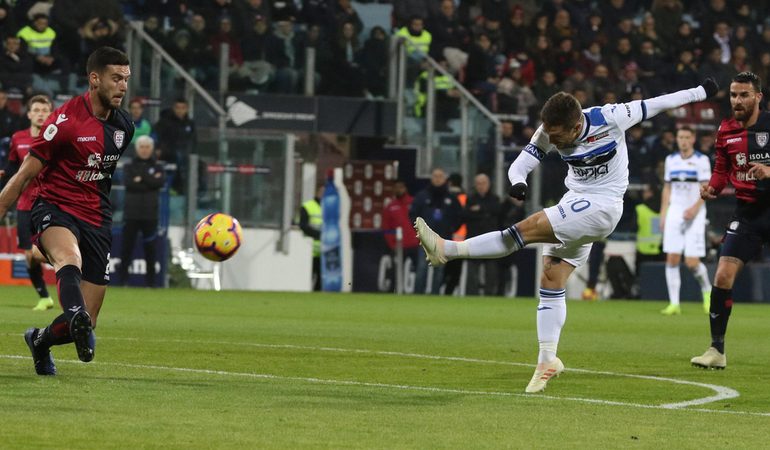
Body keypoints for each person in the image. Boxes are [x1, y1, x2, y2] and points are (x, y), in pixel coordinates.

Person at [415, 79, 719, 392]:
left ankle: (446, 249)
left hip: (604, 205)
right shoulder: (549, 129)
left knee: (526, 229)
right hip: (575, 201)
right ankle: (548, 359)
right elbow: (522, 162)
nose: (552, 140)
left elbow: (660, 101)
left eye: (558, 135)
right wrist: (518, 180)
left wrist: (701, 92)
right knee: (551, 276)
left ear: (576, 127)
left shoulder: (612, 117)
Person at [0, 46, 134, 376]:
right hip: (54, 207)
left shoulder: (123, 128)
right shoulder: (65, 122)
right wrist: (2, 206)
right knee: (68, 260)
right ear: (94, 79)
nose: (123, 86)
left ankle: (40, 340)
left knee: (90, 321)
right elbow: (25, 173)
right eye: (116, 78)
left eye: (126, 79)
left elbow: (101, 177)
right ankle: (74, 311)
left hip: (97, 217)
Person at [691, 71, 770, 370]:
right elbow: (722, 168)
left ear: (758, 96)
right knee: (722, 275)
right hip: (748, 213)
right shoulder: (725, 129)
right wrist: (711, 187)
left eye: (744, 95)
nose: (737, 100)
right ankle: (716, 350)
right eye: (734, 95)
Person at [0, 94, 54, 310]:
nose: (41, 114)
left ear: (51, 114)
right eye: (37, 110)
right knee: (29, 255)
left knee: (42, 252)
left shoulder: (56, 138)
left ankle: (70, 269)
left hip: (51, 202)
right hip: (25, 204)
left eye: (45, 110)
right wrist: (4, 173)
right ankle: (44, 297)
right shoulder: (18, 138)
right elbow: (14, 167)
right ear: (29, 114)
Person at [659, 126, 713, 315]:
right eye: (680, 137)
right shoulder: (670, 160)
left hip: (695, 213)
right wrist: (664, 212)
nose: (683, 140)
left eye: (686, 137)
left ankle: (707, 292)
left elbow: (706, 189)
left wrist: (694, 208)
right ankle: (674, 304)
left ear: (693, 139)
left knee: (691, 262)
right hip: (675, 211)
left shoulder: (701, 160)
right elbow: (667, 188)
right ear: (676, 139)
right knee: (672, 258)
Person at [119, 135, 165, 287]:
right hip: (131, 214)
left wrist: (141, 178)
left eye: (147, 147)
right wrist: (149, 179)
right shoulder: (129, 166)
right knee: (126, 248)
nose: (145, 150)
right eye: (142, 147)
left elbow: (159, 182)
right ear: (137, 149)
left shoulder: (158, 166)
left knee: (151, 250)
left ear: (151, 149)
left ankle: (151, 283)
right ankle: (121, 281)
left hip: (150, 215)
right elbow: (130, 184)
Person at [409, 167, 461, 295]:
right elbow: (413, 214)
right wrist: (419, 230)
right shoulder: (422, 196)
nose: (437, 179)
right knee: (422, 269)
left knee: (439, 271)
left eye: (440, 176)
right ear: (431, 178)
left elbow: (459, 216)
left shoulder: (451, 198)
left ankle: (435, 295)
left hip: (442, 240)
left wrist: (451, 228)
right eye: (435, 176)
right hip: (425, 240)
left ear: (444, 179)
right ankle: (417, 296)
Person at [464, 173, 501, 296]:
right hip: (473, 239)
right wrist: (485, 212)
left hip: (490, 240)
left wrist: (479, 210)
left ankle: (489, 295)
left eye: (483, 183)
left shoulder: (495, 199)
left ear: (489, 184)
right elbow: (467, 215)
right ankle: (471, 295)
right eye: (478, 183)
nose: (481, 186)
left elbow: (497, 211)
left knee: (491, 271)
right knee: (472, 271)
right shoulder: (470, 199)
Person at [299, 184, 323, 291]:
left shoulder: (329, 207)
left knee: (321, 278)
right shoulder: (308, 206)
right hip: (309, 250)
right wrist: (319, 235)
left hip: (324, 250)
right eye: (321, 191)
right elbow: (303, 226)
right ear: (317, 192)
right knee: (308, 276)